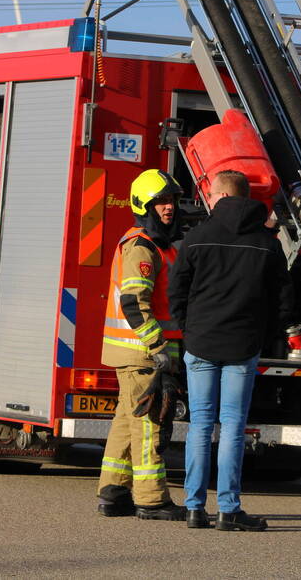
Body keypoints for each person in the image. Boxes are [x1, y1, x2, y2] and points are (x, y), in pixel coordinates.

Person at [168, 170, 293, 531]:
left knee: (200, 425)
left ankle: (193, 508)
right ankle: (228, 509)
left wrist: (188, 331)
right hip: (243, 346)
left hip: (201, 344)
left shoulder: (197, 238)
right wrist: (263, 336)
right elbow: (284, 299)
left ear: (220, 196)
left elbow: (177, 291)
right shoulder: (267, 243)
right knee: (234, 427)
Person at [96, 169, 186, 521]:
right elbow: (134, 303)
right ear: (143, 205)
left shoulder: (157, 245)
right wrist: (159, 348)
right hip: (144, 354)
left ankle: (113, 492)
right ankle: (151, 500)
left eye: (172, 201)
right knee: (151, 425)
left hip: (139, 353)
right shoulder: (142, 247)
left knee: (125, 423)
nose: (168, 208)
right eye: (160, 201)